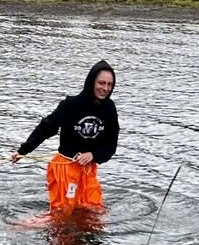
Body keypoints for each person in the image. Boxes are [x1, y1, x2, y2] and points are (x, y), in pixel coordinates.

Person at [11, 61, 119, 215]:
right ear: (91, 82)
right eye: (101, 83)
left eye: (109, 84)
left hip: (88, 171)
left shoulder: (109, 109)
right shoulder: (71, 105)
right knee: (63, 214)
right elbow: (46, 128)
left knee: (95, 212)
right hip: (65, 170)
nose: (105, 88)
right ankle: (23, 227)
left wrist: (93, 155)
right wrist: (23, 150)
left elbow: (110, 146)